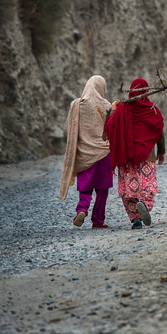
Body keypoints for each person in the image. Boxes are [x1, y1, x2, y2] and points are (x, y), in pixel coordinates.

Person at [105, 78, 165, 230]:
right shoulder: (152, 109)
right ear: (147, 91)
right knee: (148, 186)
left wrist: (112, 110)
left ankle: (136, 220)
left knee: (129, 190)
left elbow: (109, 127)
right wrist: (162, 152)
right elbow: (159, 131)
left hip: (125, 157)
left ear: (131, 91)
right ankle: (144, 204)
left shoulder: (122, 108)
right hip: (147, 156)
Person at [60, 75, 117, 229]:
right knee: (102, 190)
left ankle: (82, 209)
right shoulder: (107, 106)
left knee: (85, 186)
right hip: (104, 153)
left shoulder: (77, 104)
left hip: (84, 153)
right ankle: (98, 221)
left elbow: (72, 128)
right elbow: (112, 128)